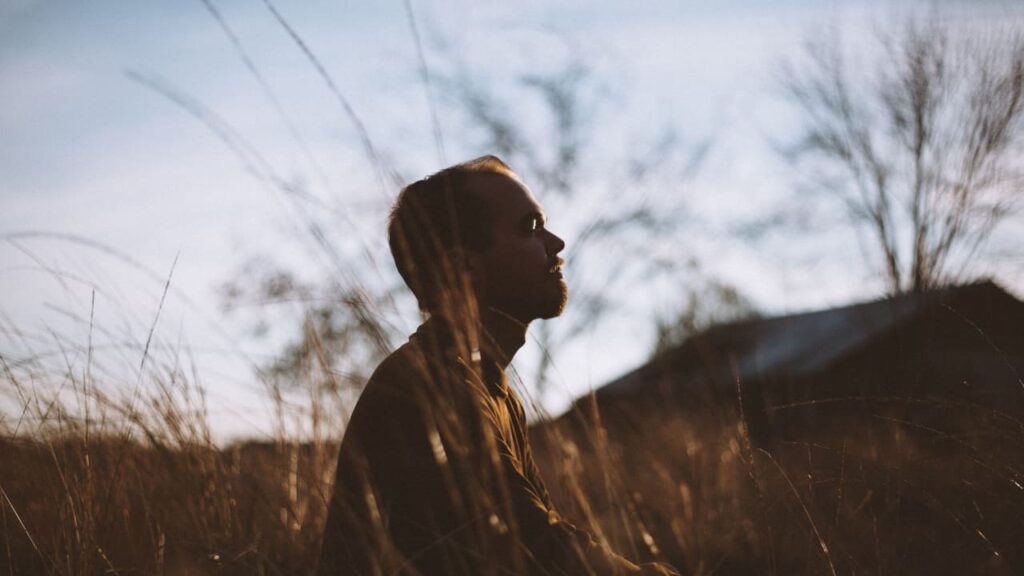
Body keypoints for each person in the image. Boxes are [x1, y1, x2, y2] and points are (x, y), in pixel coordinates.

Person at [317, 156, 678, 575]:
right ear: (463, 268)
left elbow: (541, 532)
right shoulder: (432, 387)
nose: (556, 243)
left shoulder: (490, 385)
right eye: (530, 228)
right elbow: (533, 551)